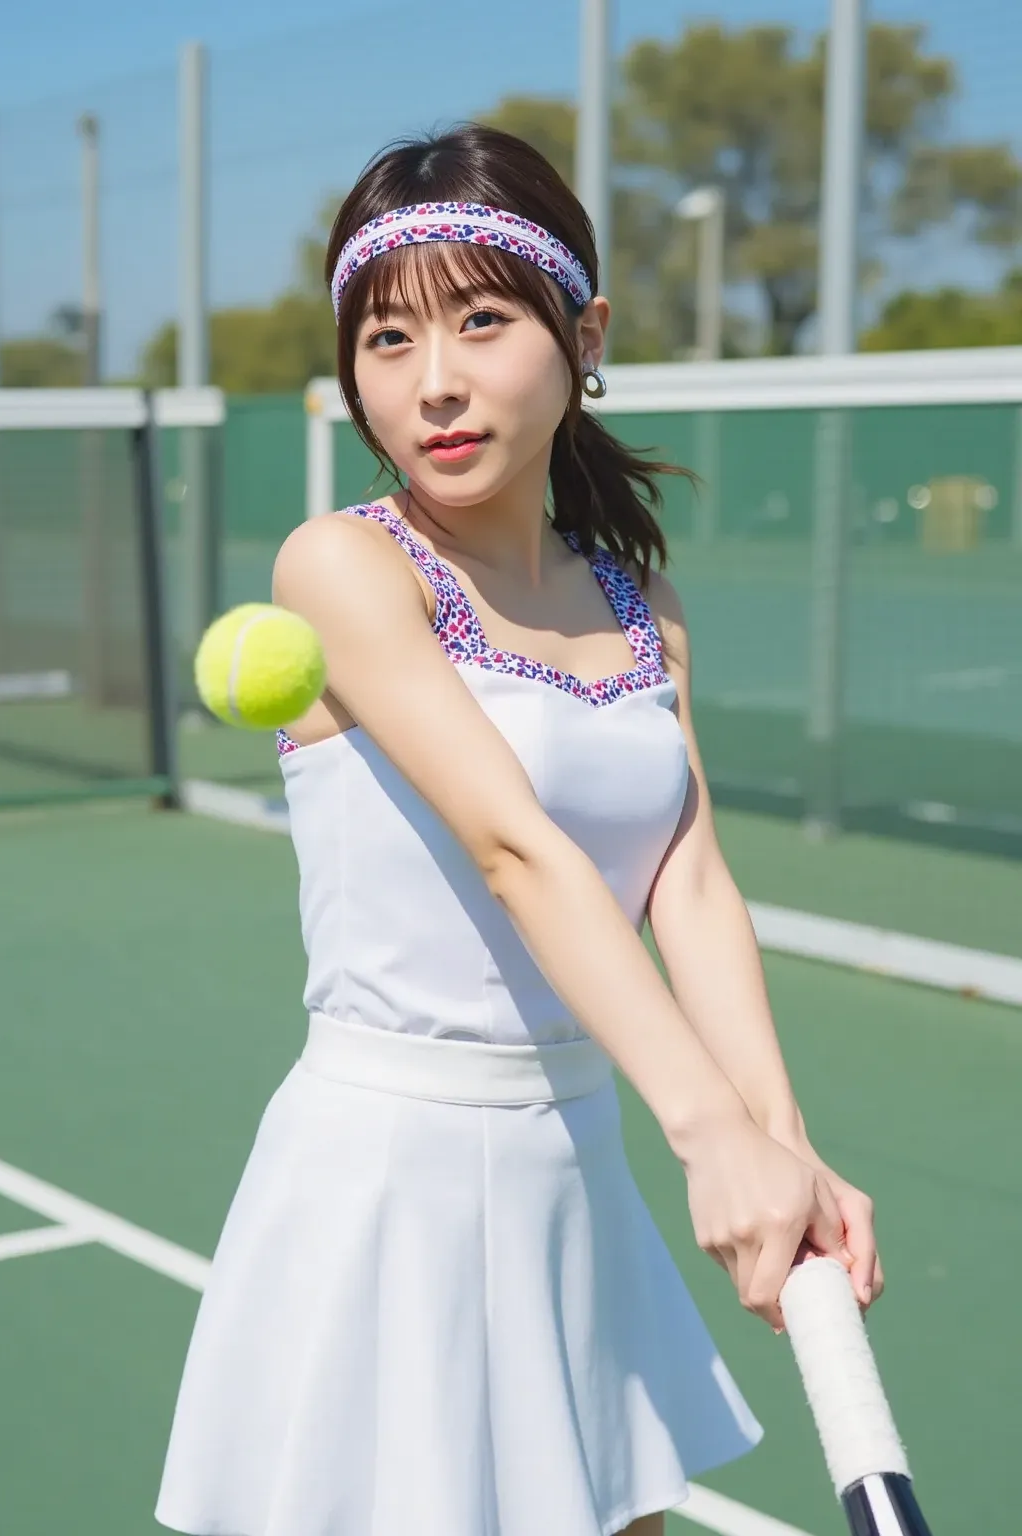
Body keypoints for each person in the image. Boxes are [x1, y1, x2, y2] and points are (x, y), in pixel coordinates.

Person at [155, 124, 882, 1536]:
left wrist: (783, 1144)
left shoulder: (635, 598)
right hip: (384, 1187)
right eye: (386, 341)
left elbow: (689, 878)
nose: (433, 384)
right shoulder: (343, 566)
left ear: (583, 331)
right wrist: (707, 1132)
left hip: (573, 1170)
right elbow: (516, 848)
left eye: (483, 322)